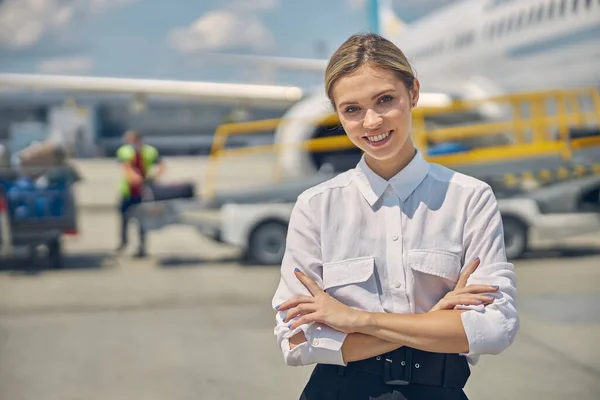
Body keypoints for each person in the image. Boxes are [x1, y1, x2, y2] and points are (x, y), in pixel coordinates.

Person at [272, 33, 518, 400]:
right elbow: (297, 342)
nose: (371, 121)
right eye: (351, 109)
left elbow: (495, 329)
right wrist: (434, 319)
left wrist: (356, 320)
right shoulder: (315, 206)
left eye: (385, 100)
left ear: (413, 93)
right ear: (336, 113)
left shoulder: (470, 198)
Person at [115, 130, 165, 257]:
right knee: (124, 217)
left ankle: (142, 247)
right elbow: (127, 168)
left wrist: (153, 177)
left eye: (130, 139)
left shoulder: (150, 151)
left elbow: (161, 165)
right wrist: (136, 177)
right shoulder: (124, 151)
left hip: (143, 191)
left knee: (143, 220)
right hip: (128, 190)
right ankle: (123, 242)